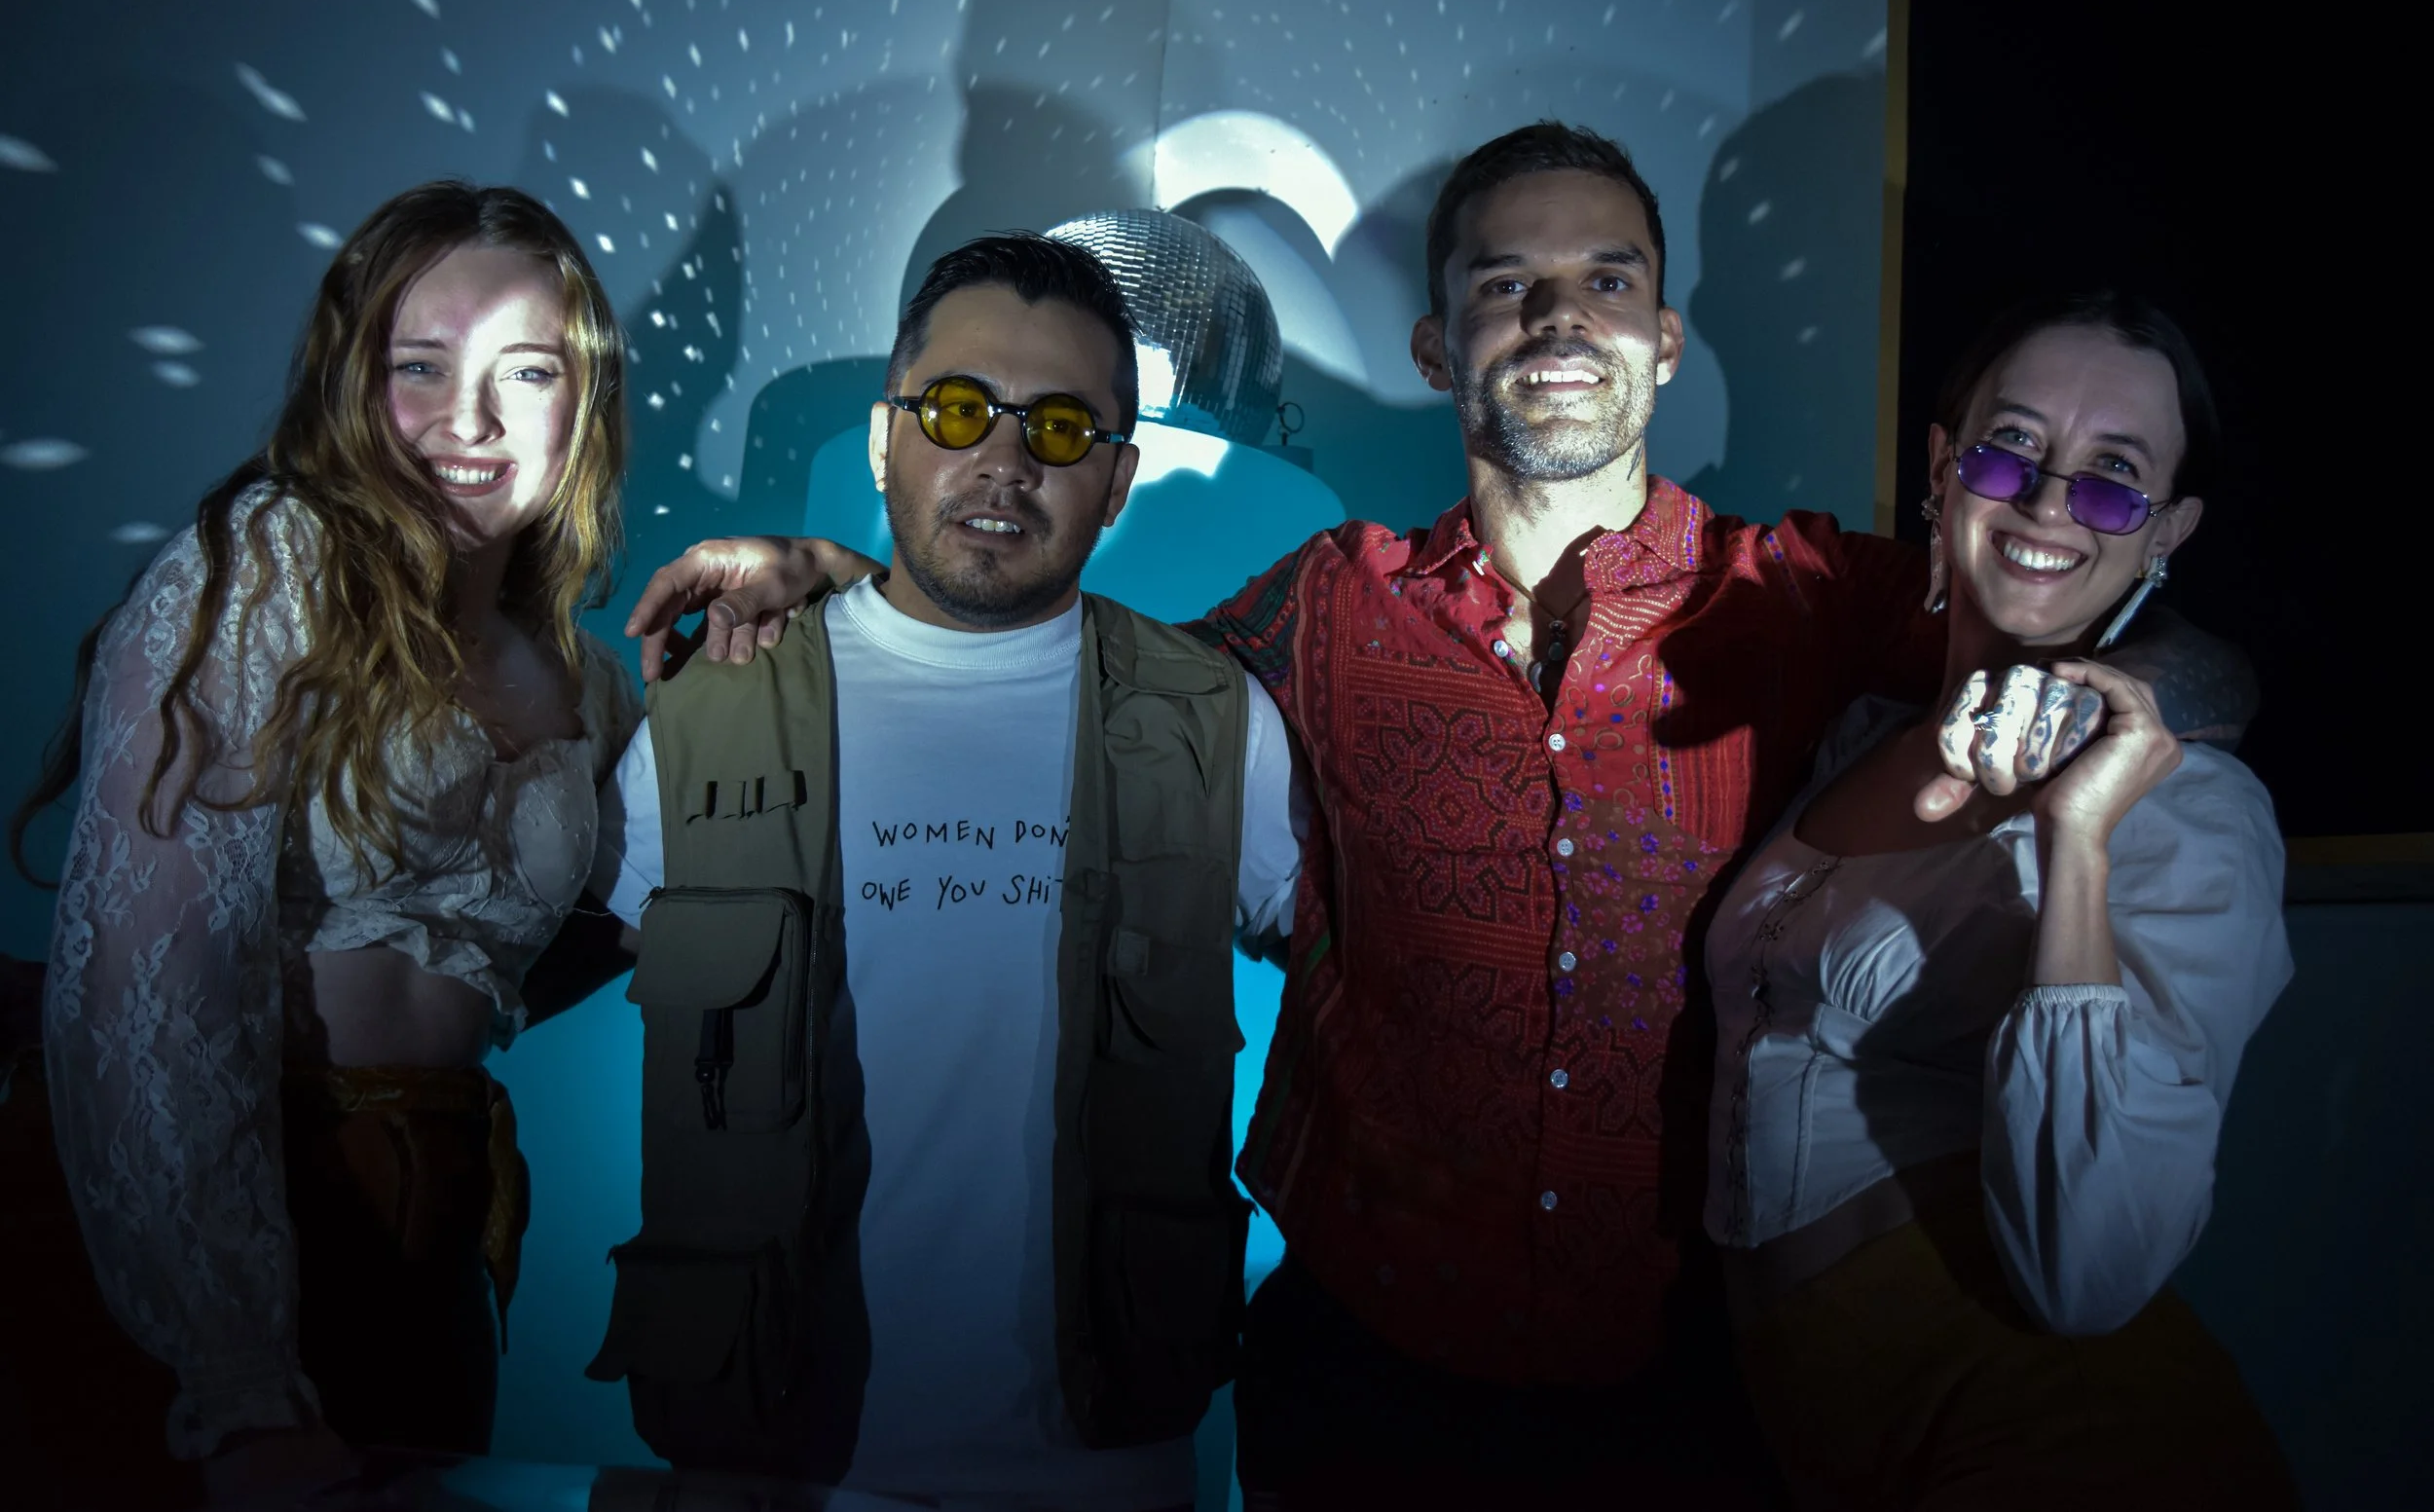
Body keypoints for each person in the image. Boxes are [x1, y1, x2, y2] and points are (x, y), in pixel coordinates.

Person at [628, 124, 2249, 1505]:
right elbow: (1054, 670)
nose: (1561, 319)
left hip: (1678, 1387)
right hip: (1365, 1379)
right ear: (1434, 347)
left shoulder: (1812, 594)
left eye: (1608, 280)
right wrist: (853, 580)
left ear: (1665, 339)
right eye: (1506, 285)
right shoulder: (1325, 607)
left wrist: (2154, 700)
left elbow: (2066, 600)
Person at [583, 232, 1299, 1510]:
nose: (1005, 462)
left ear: (1120, 477)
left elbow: (1371, 983)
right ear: (884, 436)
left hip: (1107, 1465)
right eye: (961, 408)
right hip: (766, 1458)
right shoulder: (713, 710)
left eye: (1063, 427)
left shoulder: (1217, 721)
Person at [15, 181, 640, 1505]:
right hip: (229, 1239)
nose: (470, 423)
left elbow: (580, 937)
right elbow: (151, 990)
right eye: (421, 368)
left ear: (583, 401)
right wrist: (235, 1378)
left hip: (436, 1234)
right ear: (353, 381)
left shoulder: (586, 673)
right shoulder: (263, 567)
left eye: (525, 373)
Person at [1703, 293, 2297, 1507]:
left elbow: (2086, 1273)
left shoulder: (2193, 814)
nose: (2044, 501)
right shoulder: (1859, 729)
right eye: (2010, 444)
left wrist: (2075, 839)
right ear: (1940, 465)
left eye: (2113, 478)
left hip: (2057, 1439)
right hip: (1810, 1437)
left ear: (2167, 527)